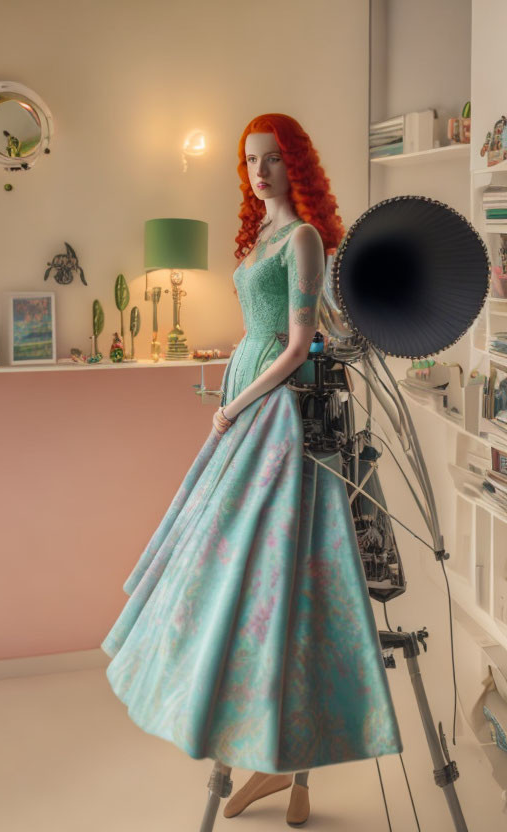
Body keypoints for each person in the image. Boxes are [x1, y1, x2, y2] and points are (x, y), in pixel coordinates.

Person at [101, 113, 402, 826]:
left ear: (294, 164)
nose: (259, 172)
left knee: (280, 570)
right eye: (250, 161)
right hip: (249, 382)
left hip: (276, 407)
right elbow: (261, 326)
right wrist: (235, 378)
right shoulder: (263, 236)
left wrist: (236, 405)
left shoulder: (301, 238)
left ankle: (288, 764)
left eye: (271, 159)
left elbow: (300, 344)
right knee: (233, 561)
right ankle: (265, 754)